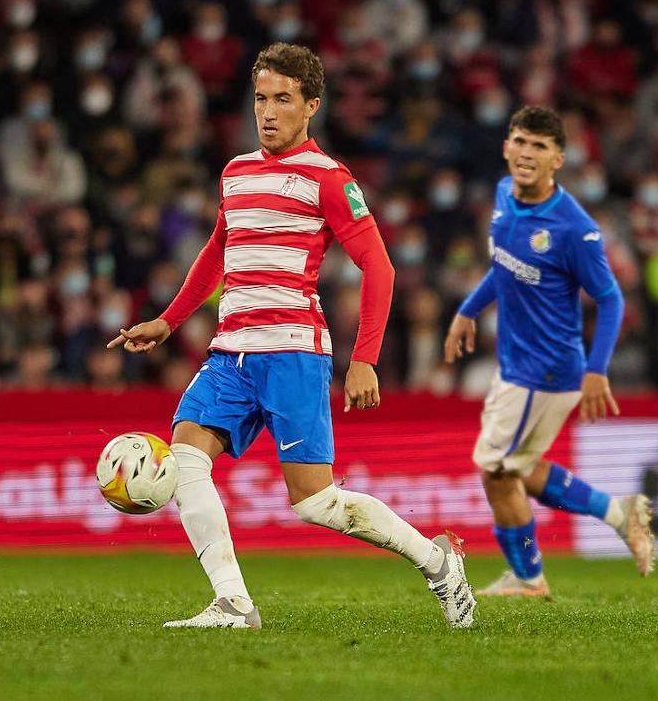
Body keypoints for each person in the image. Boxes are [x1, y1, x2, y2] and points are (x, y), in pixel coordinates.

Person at [109, 43, 476, 630]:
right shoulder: (235, 171)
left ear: (311, 106)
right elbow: (217, 253)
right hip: (231, 351)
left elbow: (379, 268)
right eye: (261, 98)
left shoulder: (329, 178)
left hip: (294, 354)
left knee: (316, 504)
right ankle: (232, 603)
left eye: (283, 99)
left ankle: (439, 561)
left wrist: (366, 360)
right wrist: (168, 320)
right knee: (184, 455)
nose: (269, 111)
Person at [444, 106, 654, 597]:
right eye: (520, 141)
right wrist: (467, 311)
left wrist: (596, 371)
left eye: (540, 146)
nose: (527, 152)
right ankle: (619, 513)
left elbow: (610, 297)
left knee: (496, 470)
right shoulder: (502, 196)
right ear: (506, 147)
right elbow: (503, 267)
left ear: (558, 158)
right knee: (517, 465)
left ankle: (527, 577)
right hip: (517, 363)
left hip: (546, 370)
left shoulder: (573, 228)